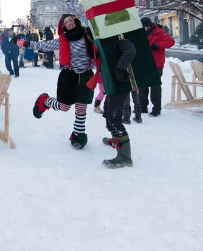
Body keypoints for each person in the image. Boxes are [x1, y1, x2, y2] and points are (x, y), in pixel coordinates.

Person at [30, 14, 99, 149]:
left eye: (70, 20)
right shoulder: (63, 39)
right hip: (69, 76)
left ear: (75, 21)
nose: (69, 23)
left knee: (81, 109)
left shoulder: (88, 34)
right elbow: (45, 45)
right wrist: (28, 43)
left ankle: (78, 135)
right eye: (66, 22)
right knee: (65, 107)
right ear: (64, 27)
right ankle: (45, 100)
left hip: (86, 76)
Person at [102, 38, 137, 168]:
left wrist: (120, 69)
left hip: (119, 84)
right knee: (108, 112)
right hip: (112, 85)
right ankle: (116, 140)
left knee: (114, 118)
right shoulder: (106, 40)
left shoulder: (120, 38)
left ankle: (125, 157)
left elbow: (130, 51)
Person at [138, 17, 175, 117]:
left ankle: (156, 108)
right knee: (142, 85)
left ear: (149, 26)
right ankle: (143, 106)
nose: (144, 29)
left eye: (145, 27)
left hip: (156, 63)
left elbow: (171, 41)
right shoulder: (140, 33)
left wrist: (157, 45)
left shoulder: (159, 32)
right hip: (143, 63)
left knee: (155, 86)